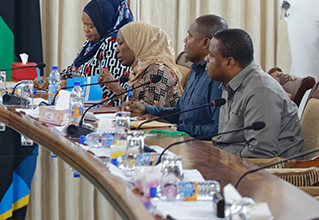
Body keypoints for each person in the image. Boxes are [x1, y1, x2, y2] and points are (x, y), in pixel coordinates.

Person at [128, 15, 228, 139]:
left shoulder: (216, 78)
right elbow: (179, 112)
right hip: (183, 141)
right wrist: (146, 110)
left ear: (205, 43)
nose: (185, 40)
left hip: (200, 148)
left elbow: (217, 129)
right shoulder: (195, 72)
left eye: (190, 36)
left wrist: (177, 128)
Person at [206, 29, 302, 158]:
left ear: (229, 63)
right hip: (231, 160)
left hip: (269, 172)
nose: (206, 58)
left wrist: (221, 162)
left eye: (211, 55)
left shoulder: (261, 91)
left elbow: (260, 153)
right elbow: (226, 142)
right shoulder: (230, 83)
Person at [39, 0, 134, 99]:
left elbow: (108, 88)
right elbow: (72, 71)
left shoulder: (113, 43)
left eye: (91, 26)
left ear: (105, 22)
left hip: (105, 109)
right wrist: (51, 80)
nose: (85, 29)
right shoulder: (91, 44)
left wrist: (67, 85)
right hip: (81, 103)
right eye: (84, 23)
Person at [99, 21, 182, 108]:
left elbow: (147, 111)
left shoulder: (158, 70)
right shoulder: (141, 70)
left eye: (120, 43)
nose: (116, 50)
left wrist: (117, 88)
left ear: (137, 43)